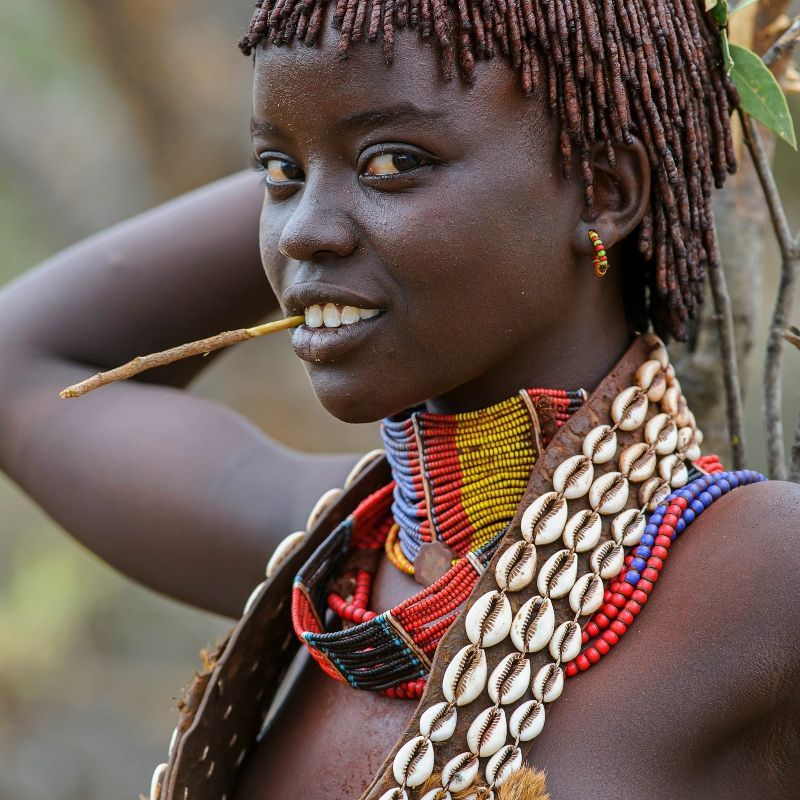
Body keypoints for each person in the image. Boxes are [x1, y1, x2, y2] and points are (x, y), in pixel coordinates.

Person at [0, 0, 799, 798]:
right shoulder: (326, 552)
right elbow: (20, 365)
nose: (298, 234)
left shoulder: (765, 578)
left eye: (392, 163)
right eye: (276, 175)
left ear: (604, 189)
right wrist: (328, 152)